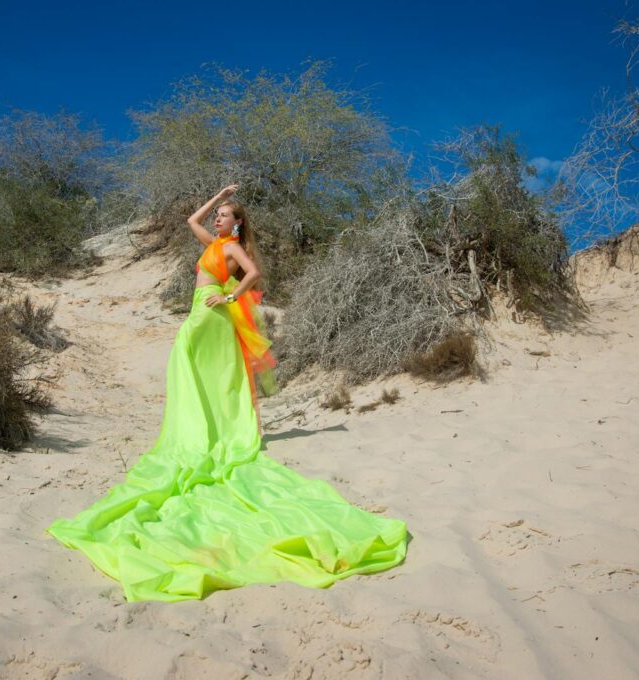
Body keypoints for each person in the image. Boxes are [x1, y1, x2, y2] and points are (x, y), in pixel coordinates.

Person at [47, 185, 408, 602]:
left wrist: (231, 295)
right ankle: (206, 427)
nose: (217, 218)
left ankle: (207, 432)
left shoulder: (233, 248)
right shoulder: (214, 242)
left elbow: (253, 273)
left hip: (210, 310)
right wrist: (219, 194)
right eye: (217, 214)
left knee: (185, 358)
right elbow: (190, 222)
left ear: (237, 223)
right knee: (190, 367)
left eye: (224, 214)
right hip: (202, 307)